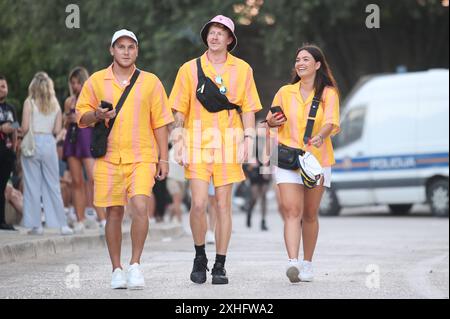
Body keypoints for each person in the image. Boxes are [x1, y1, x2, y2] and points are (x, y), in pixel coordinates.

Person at [76, 29, 173, 290]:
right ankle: (116, 269)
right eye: (121, 47)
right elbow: (81, 118)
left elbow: (161, 123)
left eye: (131, 47)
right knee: (114, 213)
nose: (126, 51)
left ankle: (135, 265)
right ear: (112, 50)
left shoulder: (151, 82)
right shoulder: (96, 81)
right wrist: (96, 114)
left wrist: (164, 160)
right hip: (108, 158)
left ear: (137, 51)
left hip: (142, 156)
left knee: (140, 206)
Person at [169, 15, 262, 285]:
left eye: (222, 32)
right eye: (212, 31)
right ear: (206, 36)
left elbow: (248, 107)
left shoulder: (243, 69)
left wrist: (248, 140)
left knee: (223, 206)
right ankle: (200, 256)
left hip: (229, 144)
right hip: (197, 142)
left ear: (230, 39)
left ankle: (220, 264)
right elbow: (179, 109)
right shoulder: (189, 68)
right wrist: (177, 141)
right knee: (198, 204)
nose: (215, 36)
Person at [265, 44, 340, 283]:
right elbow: (271, 120)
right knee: (291, 211)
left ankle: (308, 263)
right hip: (287, 158)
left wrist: (321, 135)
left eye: (306, 59)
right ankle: (292, 262)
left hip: (316, 160)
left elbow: (330, 122)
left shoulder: (328, 93)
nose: (300, 63)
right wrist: (271, 121)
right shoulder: (285, 92)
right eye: (297, 59)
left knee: (309, 214)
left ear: (317, 64)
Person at [20, 72, 74, 236]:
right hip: (49, 144)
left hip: (32, 144)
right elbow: (57, 130)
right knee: (53, 185)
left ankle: (36, 225)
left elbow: (24, 128)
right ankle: (62, 225)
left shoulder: (29, 103)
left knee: (32, 185)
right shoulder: (55, 104)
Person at [63, 67, 106, 233]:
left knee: (94, 179)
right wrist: (69, 119)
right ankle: (80, 219)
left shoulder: (92, 99)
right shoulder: (69, 101)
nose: (75, 86)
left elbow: (98, 120)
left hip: (87, 138)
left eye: (78, 82)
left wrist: (82, 118)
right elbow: (64, 124)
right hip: (72, 138)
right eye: (72, 83)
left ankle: (102, 218)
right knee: (76, 182)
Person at [243, 123, 271, 231]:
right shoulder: (251, 140)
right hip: (254, 170)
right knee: (254, 196)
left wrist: (267, 169)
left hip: (264, 168)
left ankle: (263, 221)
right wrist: (250, 161)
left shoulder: (268, 139)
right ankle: (249, 211)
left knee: (264, 195)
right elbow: (246, 155)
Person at [0, 74, 19, 230]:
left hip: (7, 153)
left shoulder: (11, 108)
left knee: (3, 186)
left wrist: (14, 148)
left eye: (3, 86)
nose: (2, 89)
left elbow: (16, 128)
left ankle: (2, 220)